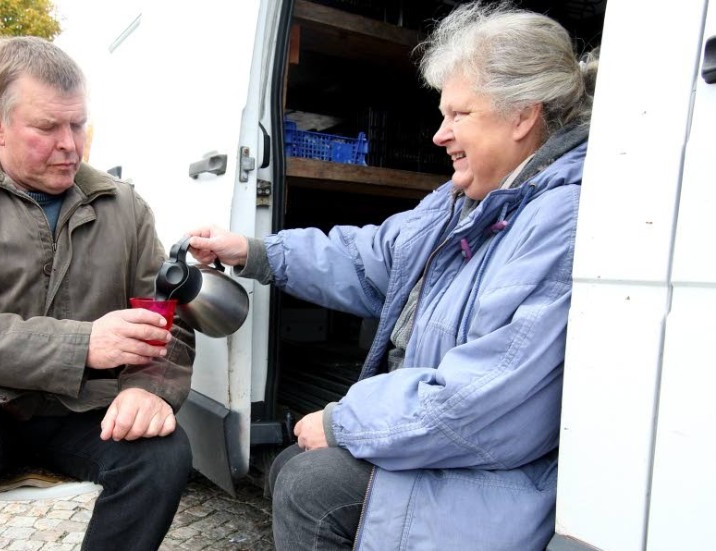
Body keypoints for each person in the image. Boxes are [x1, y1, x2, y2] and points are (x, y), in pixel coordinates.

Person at [188, 3, 598, 550]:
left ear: (522, 116)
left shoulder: (559, 219)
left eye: (459, 115)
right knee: (294, 466)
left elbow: (485, 402)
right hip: (447, 440)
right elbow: (369, 257)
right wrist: (255, 252)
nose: (439, 135)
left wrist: (343, 421)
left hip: (490, 467)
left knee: (310, 485)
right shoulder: (462, 201)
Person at [0, 36, 196, 551]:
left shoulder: (125, 207)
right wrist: (81, 345)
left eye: (78, 124)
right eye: (48, 127)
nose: (70, 144)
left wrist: (149, 389)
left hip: (81, 409)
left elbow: (169, 321)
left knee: (163, 453)